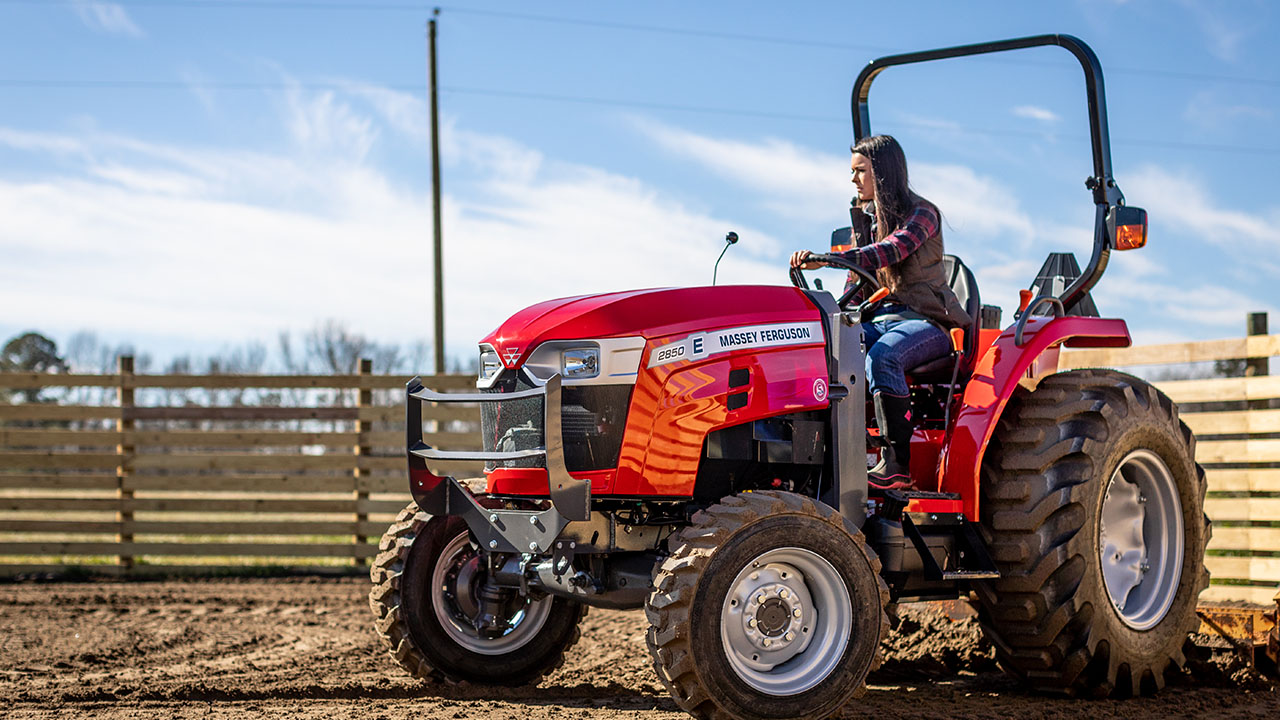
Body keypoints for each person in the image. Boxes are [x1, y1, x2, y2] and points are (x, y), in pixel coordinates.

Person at [790, 135, 969, 490]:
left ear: (883, 172)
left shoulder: (923, 214)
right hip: (881, 318)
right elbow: (857, 282)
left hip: (929, 322)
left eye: (860, 171)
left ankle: (897, 463)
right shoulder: (865, 222)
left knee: (883, 356)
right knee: (827, 347)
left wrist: (829, 259)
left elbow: (888, 252)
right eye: (852, 172)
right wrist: (837, 316)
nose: (853, 180)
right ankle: (821, 451)